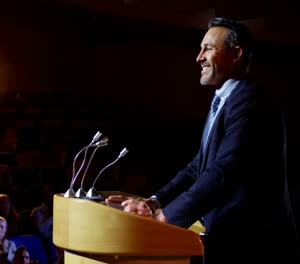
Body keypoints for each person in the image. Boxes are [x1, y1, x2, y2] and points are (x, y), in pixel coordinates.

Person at [106, 17, 297, 264]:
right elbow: (199, 166)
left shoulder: (250, 100)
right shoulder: (225, 98)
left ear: (235, 54)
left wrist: (166, 216)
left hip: (252, 243)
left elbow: (225, 170)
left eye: (208, 48)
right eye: (200, 48)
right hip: (229, 239)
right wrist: (154, 202)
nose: (199, 57)